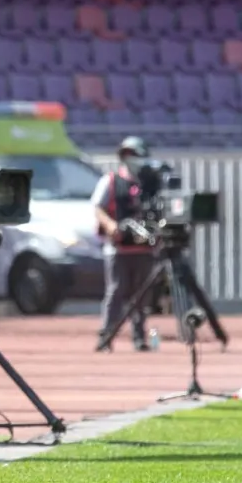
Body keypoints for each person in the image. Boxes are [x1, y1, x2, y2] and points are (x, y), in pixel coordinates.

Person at [93, 136, 157, 353]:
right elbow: (98, 207)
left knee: (141, 294)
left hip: (145, 247)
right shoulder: (110, 181)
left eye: (134, 154)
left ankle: (139, 337)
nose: (130, 159)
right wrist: (111, 225)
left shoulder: (150, 183)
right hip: (118, 247)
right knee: (116, 291)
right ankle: (106, 335)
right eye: (127, 154)